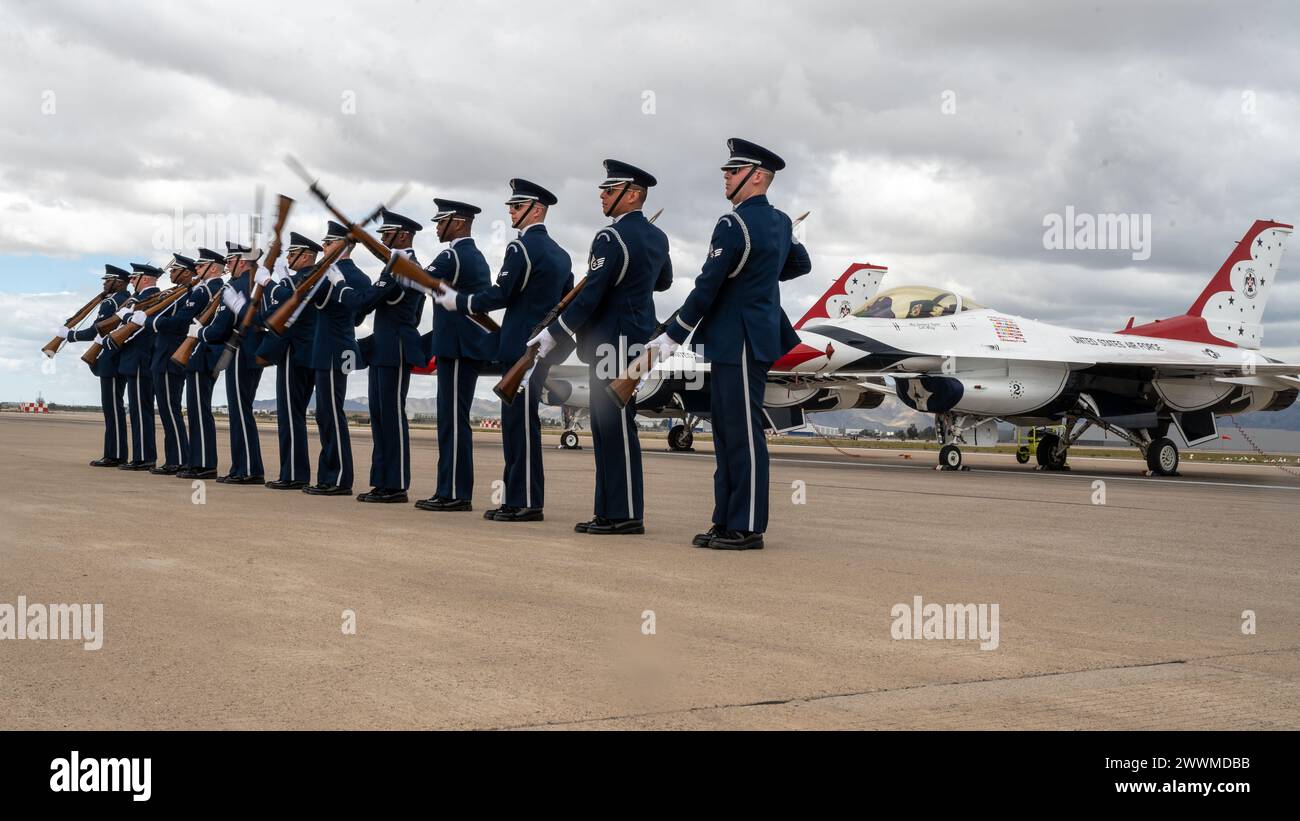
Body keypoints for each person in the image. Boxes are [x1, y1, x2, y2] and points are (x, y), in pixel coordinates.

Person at [651, 138, 812, 550]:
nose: (725, 175)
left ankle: (746, 526)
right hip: (743, 335)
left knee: (740, 432)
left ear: (757, 177)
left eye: (734, 170)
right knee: (726, 431)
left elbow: (708, 284)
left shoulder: (733, 224)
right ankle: (726, 520)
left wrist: (674, 332)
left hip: (737, 336)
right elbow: (800, 264)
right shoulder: (779, 223)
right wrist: (760, 277)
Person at [529, 160, 672, 535]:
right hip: (635, 339)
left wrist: (554, 332)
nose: (602, 196)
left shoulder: (610, 238)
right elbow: (665, 282)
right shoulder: (658, 238)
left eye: (609, 191)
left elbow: (590, 296)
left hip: (609, 342)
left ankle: (624, 514)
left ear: (632, 195)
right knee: (610, 427)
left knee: (615, 430)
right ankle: (609, 511)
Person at [436, 178, 573, 522]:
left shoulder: (522, 249)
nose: (511, 212)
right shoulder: (561, 254)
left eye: (516, 206)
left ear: (535, 209)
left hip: (521, 348)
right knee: (519, 424)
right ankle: (518, 498)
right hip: (540, 347)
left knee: (520, 427)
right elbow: (566, 302)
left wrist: (461, 301)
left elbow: (501, 293)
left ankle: (525, 502)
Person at [413, 199, 496, 512]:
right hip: (460, 347)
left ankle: (454, 493)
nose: (436, 227)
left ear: (458, 223)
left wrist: (397, 262)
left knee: (453, 421)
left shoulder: (454, 255)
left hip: (460, 348)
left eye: (441, 221)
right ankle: (449, 489)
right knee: (451, 419)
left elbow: (419, 280)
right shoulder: (471, 255)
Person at [356, 210, 428, 504]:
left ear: (403, 235)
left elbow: (371, 301)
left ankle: (396, 484)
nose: (384, 237)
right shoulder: (396, 266)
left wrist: (354, 301)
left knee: (392, 417)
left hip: (395, 347)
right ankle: (382, 481)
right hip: (384, 346)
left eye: (388, 233)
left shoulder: (405, 267)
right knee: (379, 416)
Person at [303, 222, 372, 496]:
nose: (323, 247)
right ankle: (330, 475)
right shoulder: (362, 278)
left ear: (343, 246)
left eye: (328, 243)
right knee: (328, 413)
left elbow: (306, 297)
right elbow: (357, 317)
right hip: (341, 347)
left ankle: (338, 478)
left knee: (330, 413)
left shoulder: (332, 275)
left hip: (331, 350)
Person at [255, 233, 321, 490]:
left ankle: (293, 473)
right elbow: (270, 313)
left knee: (290, 415)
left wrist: (270, 284)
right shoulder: (299, 280)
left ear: (305, 255)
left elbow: (283, 305)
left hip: (295, 351)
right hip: (309, 352)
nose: (289, 258)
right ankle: (294, 471)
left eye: (292, 254)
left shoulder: (305, 279)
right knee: (294, 414)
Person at [200, 241, 267, 484]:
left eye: (230, 261)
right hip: (254, 351)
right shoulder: (259, 284)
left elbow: (221, 326)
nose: (227, 266)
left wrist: (200, 334)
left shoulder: (238, 285)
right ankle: (245, 467)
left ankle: (247, 469)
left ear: (242, 261)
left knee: (240, 411)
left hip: (239, 351)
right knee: (242, 410)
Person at [60, 264, 131, 466]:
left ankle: (115, 454)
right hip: (116, 359)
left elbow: (94, 331)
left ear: (118, 282)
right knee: (113, 408)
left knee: (113, 409)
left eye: (108, 280)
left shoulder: (112, 303)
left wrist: (69, 335)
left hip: (111, 360)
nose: (105, 284)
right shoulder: (121, 300)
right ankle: (114, 452)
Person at [144, 254, 198, 474]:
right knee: (167, 411)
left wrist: (148, 321)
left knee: (170, 410)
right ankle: (174, 458)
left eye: (175, 271)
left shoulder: (187, 294)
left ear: (186, 272)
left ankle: (178, 459)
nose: (171, 274)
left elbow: (178, 324)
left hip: (170, 358)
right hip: (162, 357)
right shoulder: (176, 294)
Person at [111, 263, 163, 470]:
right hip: (134, 360)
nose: (131, 281)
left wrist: (126, 317)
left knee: (142, 411)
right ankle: (140, 455)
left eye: (135, 278)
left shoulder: (151, 299)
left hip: (141, 359)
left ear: (147, 279)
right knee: (137, 410)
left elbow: (138, 330)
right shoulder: (137, 299)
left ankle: (144, 457)